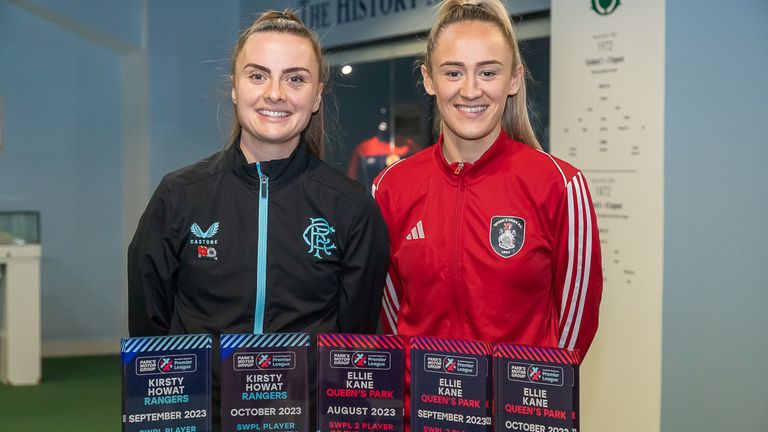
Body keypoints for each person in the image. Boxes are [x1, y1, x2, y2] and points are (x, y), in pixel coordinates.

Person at [128, 10, 389, 430]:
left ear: (317, 95)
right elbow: (150, 334)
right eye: (257, 75)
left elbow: (354, 338)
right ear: (234, 87)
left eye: (295, 78)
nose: (275, 93)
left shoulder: (351, 208)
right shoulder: (178, 199)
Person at [374, 0, 602, 358]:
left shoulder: (559, 186)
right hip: (418, 411)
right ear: (428, 79)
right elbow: (392, 316)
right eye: (452, 72)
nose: (470, 90)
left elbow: (573, 337)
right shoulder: (390, 188)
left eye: (488, 72)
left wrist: (531, 404)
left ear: (513, 79)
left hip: (518, 411)